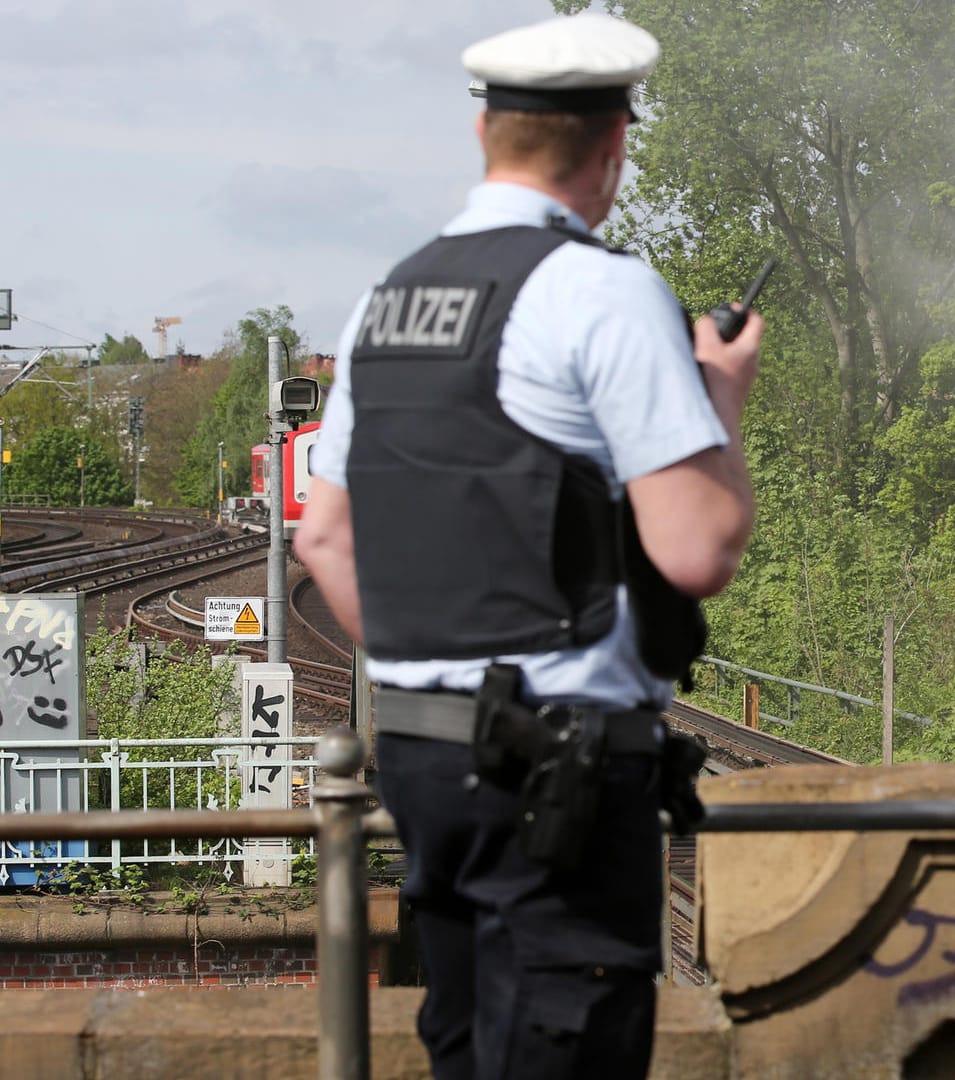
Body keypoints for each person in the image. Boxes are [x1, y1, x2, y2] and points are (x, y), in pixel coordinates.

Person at [295, 11, 761, 1078]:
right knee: (565, 1044)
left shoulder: (388, 300)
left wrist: (430, 668)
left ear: (485, 136)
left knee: (461, 1043)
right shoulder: (603, 294)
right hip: (559, 773)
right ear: (613, 148)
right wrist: (722, 400)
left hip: (418, 758)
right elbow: (697, 551)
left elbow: (324, 537)